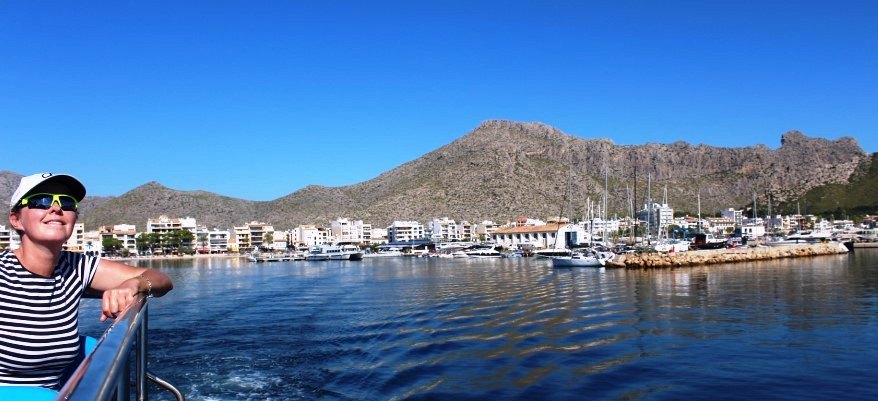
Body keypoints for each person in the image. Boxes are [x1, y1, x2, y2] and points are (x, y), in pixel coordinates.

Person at [0, 173, 173, 390]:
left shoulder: (76, 267)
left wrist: (133, 284)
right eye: (41, 201)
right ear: (16, 219)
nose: (55, 208)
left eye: (66, 202)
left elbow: (161, 279)